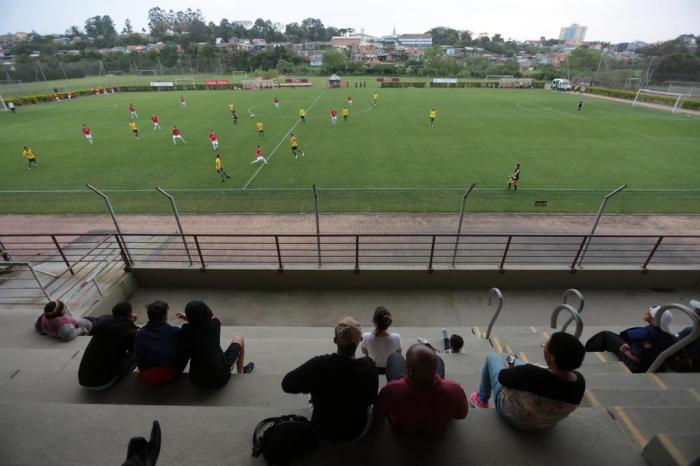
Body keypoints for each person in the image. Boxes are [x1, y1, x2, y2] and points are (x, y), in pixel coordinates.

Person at [282, 316, 378, 442]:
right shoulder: (369, 367)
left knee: (312, 392)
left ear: (335, 340)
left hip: (323, 430)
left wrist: (311, 386)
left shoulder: (319, 365)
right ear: (360, 340)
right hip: (357, 430)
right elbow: (372, 399)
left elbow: (287, 384)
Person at [469, 332, 586, 430]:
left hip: (512, 417)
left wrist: (511, 370)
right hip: (545, 424)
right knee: (520, 363)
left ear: (552, 357)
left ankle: (481, 400)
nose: (544, 348)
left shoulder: (530, 374)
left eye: (546, 346)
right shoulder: (579, 384)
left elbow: (502, 378)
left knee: (493, 358)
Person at [375, 343, 467, 434]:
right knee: (437, 358)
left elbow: (379, 414)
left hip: (402, 429)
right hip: (436, 430)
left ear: (409, 370)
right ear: (435, 369)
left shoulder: (391, 390)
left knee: (395, 357)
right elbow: (461, 415)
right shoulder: (454, 389)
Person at [178, 300, 254, 389]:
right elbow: (211, 320)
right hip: (219, 378)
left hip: (196, 380)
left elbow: (196, 327)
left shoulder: (186, 329)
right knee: (239, 338)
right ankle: (241, 373)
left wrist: (189, 319)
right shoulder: (215, 324)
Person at [585, 306, 676, 372]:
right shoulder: (669, 336)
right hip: (657, 365)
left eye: (649, 313)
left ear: (653, 320)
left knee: (605, 336)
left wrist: (626, 352)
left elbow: (637, 358)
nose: (647, 311)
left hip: (637, 366)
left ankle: (585, 354)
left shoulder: (643, 334)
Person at [78, 302, 139, 390]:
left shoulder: (102, 324)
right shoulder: (129, 333)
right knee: (138, 354)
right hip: (102, 383)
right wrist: (132, 324)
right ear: (130, 315)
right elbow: (135, 349)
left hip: (84, 379)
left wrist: (129, 320)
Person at [135, 301, 188, 385]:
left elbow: (138, 356)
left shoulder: (140, 333)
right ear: (165, 316)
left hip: (146, 376)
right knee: (186, 346)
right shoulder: (175, 331)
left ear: (149, 316)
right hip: (169, 375)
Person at [361, 306, 402, 374]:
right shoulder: (396, 337)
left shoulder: (366, 336)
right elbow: (398, 353)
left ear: (374, 321)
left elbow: (364, 351)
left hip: (373, 367)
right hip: (390, 367)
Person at [671, 299, 700, 371]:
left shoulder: (690, 330)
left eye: (696, 309)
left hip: (693, 364)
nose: (693, 310)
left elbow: (675, 345)